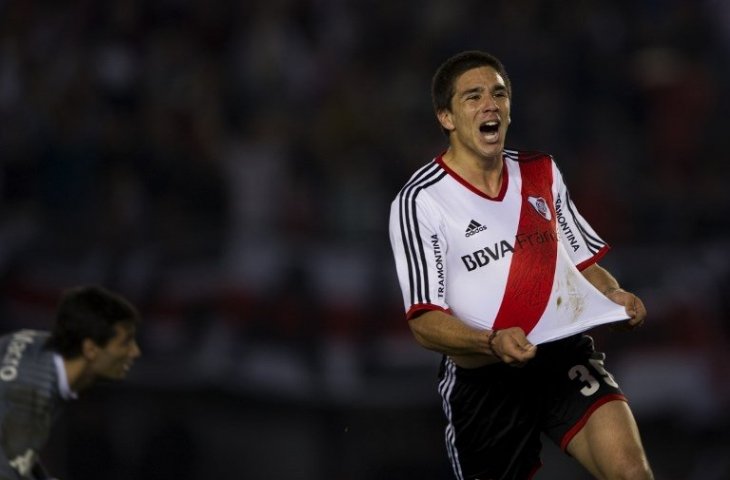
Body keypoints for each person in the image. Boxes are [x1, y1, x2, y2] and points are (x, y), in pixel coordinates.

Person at [388, 50, 654, 480]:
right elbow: (423, 321)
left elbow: (582, 263)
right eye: (472, 97)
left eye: (498, 93)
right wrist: (492, 341)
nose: (489, 104)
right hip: (484, 386)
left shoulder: (540, 172)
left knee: (632, 474)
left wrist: (613, 295)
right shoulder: (421, 200)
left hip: (561, 357)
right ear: (446, 117)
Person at [0, 285, 142, 480]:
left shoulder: (34, 343)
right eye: (125, 343)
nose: (135, 352)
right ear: (90, 349)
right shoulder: (30, 398)